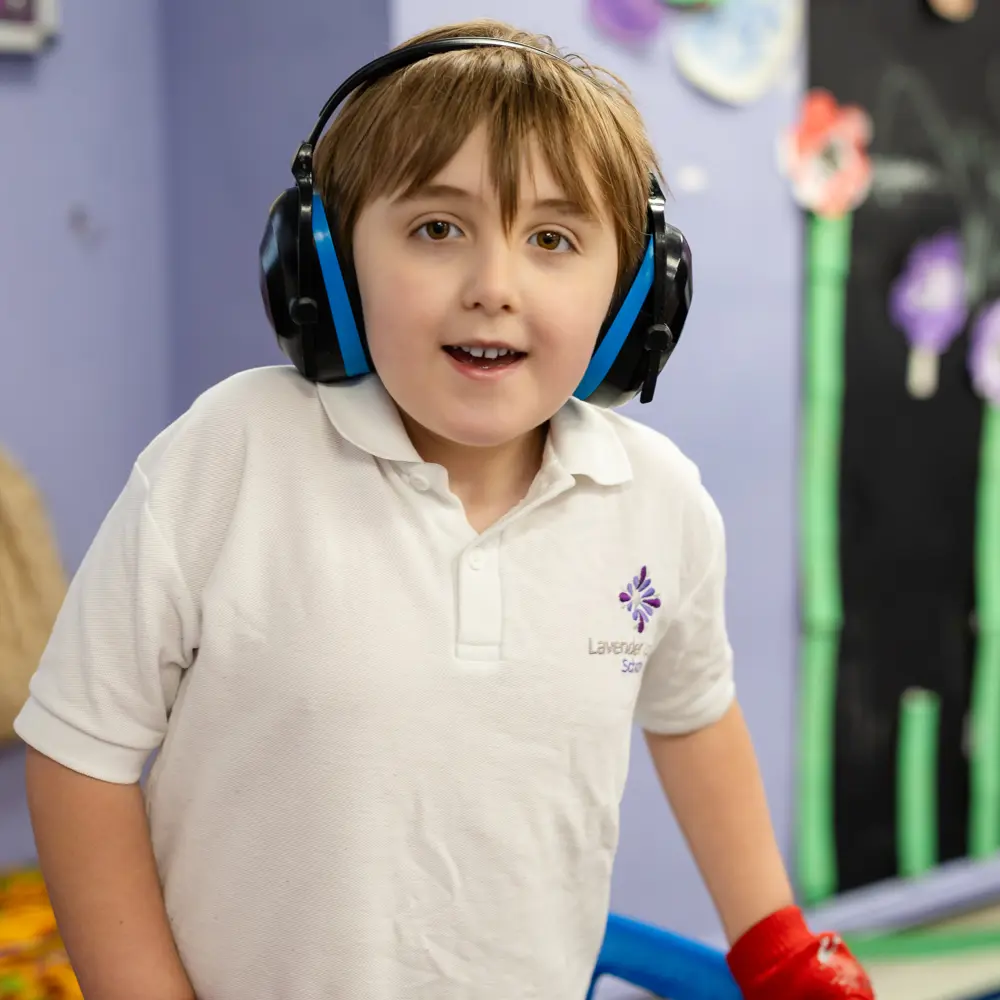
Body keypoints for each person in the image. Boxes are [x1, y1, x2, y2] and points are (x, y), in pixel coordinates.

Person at [15, 18, 873, 1000]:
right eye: (436, 228)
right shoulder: (233, 454)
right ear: (325, 267)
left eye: (552, 239)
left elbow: (692, 717)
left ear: (634, 296)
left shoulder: (659, 502)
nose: (493, 287)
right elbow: (79, 755)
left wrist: (773, 943)